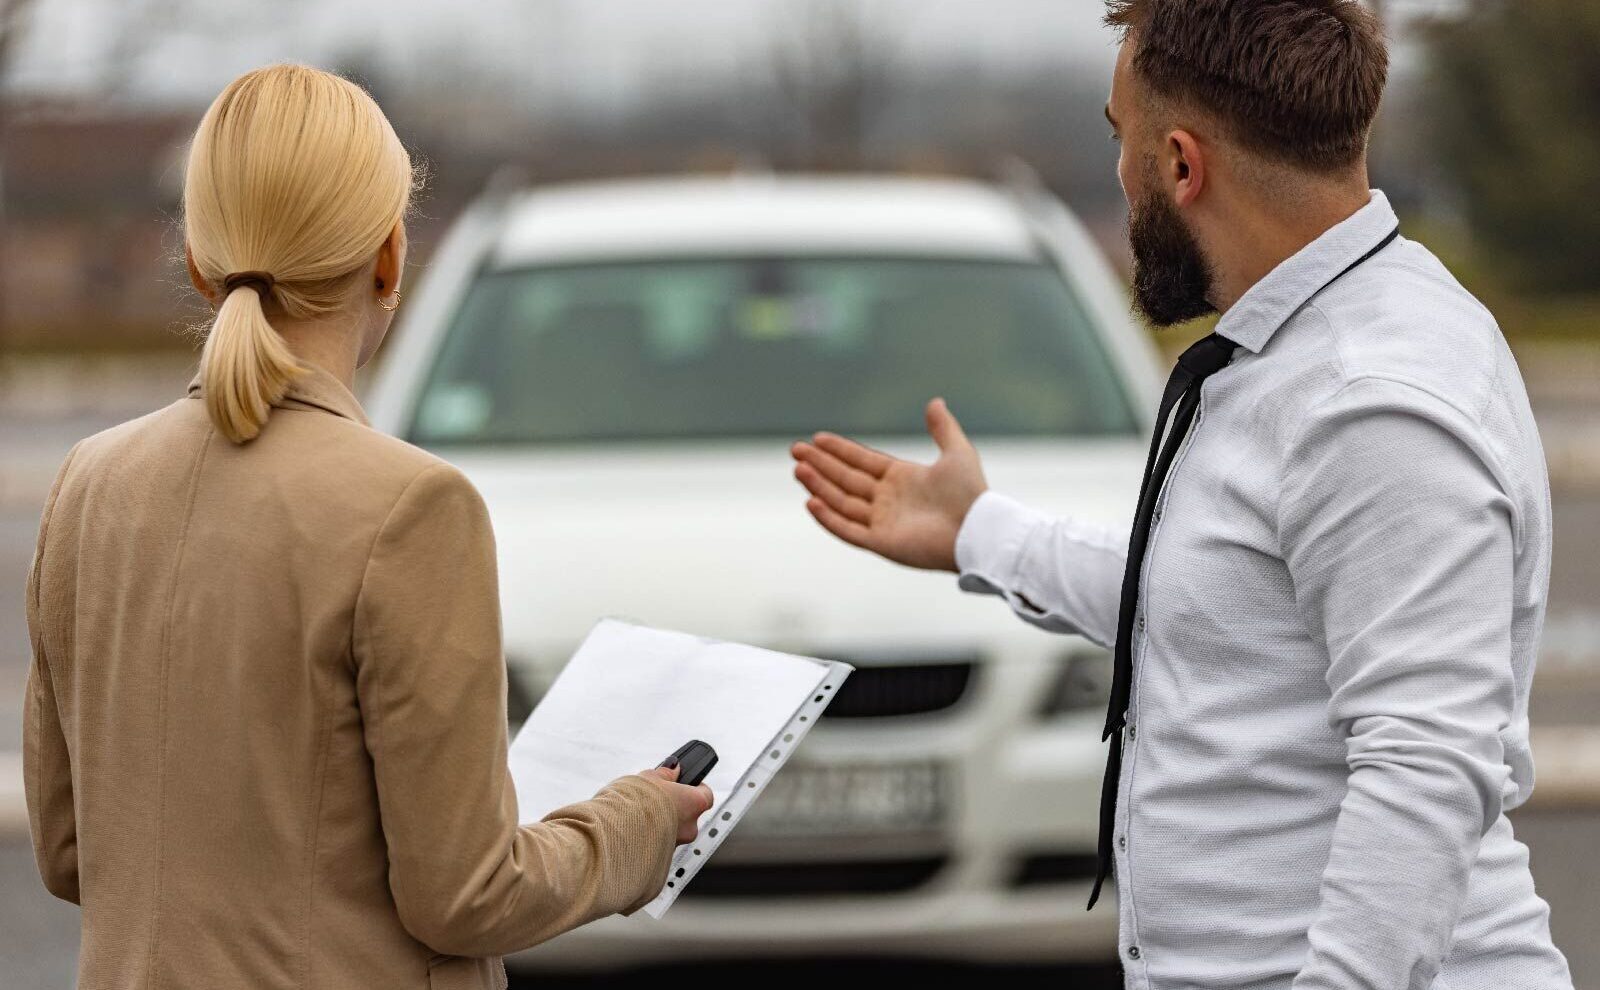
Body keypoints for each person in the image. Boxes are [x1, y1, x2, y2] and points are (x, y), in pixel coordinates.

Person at [791, 2, 1573, 987]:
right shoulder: (1304, 346)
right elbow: (1223, 599)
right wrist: (979, 533)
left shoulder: (1370, 402)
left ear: (1180, 165)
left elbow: (1423, 769)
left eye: (1122, 144)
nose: (1119, 180)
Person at [23, 64, 712, 990]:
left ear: (197, 261)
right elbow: (468, 896)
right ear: (389, 259)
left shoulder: (88, 484)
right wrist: (636, 823)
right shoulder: (413, 507)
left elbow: (70, 854)